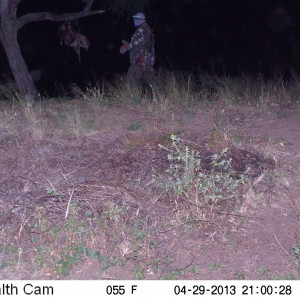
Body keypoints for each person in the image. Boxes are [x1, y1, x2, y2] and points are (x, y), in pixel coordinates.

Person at [120, 12, 155, 88]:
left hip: (139, 60)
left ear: (139, 20)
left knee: (132, 80)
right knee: (150, 83)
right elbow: (143, 43)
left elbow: (138, 44)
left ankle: (134, 98)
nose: (134, 21)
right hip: (148, 61)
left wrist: (127, 46)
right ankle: (155, 98)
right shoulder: (148, 29)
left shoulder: (141, 29)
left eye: (135, 19)